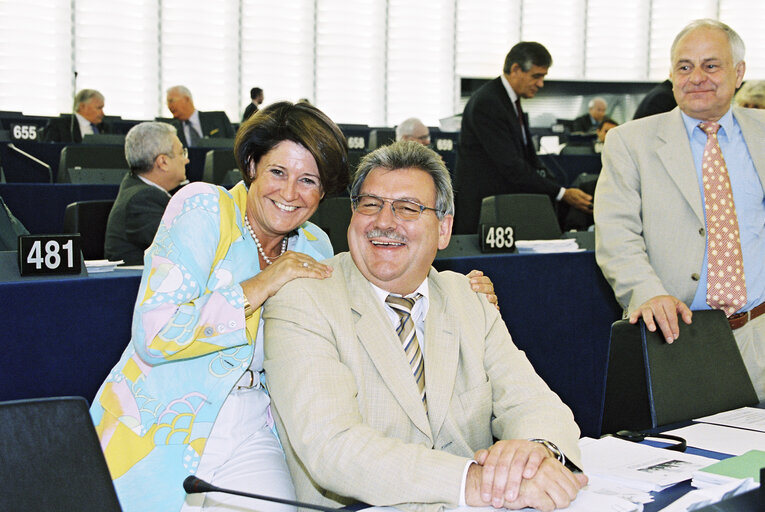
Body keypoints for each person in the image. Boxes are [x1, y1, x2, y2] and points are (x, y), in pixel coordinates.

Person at [90, 103, 497, 512]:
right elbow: (154, 335)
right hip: (161, 419)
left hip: (255, 423)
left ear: (323, 192)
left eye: (308, 180)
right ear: (252, 165)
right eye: (278, 172)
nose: (290, 194)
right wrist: (260, 285)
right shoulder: (203, 207)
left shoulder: (314, 244)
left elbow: (365, 299)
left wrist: (455, 291)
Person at [264, 140, 586, 512]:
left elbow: (534, 402)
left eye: (408, 208)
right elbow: (332, 446)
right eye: (370, 204)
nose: (384, 221)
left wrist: (535, 455)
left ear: (444, 228)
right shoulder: (303, 300)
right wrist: (475, 481)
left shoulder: (470, 298)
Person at [594, 19, 765, 401]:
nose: (696, 77)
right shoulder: (629, 142)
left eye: (711, 65)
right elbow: (617, 236)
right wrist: (647, 293)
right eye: (684, 67)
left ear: (738, 72)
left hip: (760, 326)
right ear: (671, 76)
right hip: (677, 336)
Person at [454, 42, 592, 235]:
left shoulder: (509, 100)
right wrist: (561, 193)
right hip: (482, 213)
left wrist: (555, 184)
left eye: (543, 77)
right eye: (536, 76)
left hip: (500, 208)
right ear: (516, 69)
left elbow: (526, 158)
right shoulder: (489, 103)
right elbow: (512, 167)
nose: (541, 84)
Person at [104, 122, 189, 265]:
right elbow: (186, 247)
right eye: (182, 153)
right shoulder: (142, 199)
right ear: (163, 162)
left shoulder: (139, 190)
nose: (186, 160)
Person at [166, 85, 235, 147]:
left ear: (186, 99)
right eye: (167, 103)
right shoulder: (170, 129)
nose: (169, 106)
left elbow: (234, 145)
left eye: (171, 101)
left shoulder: (219, 118)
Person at [41, 89, 110, 143]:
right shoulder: (59, 125)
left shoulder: (105, 128)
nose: (102, 113)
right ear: (82, 107)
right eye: (99, 108)